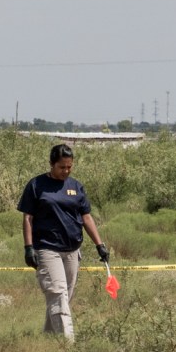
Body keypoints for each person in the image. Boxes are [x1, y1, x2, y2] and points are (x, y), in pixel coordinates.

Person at [16, 142, 111, 340]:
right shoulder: (36, 185)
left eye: (69, 167)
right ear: (51, 164)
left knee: (64, 297)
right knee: (58, 294)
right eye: (62, 167)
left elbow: (86, 217)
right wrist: (28, 247)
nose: (66, 171)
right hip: (47, 249)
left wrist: (99, 245)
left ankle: (49, 340)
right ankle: (68, 346)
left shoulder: (76, 187)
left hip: (72, 250)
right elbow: (28, 218)